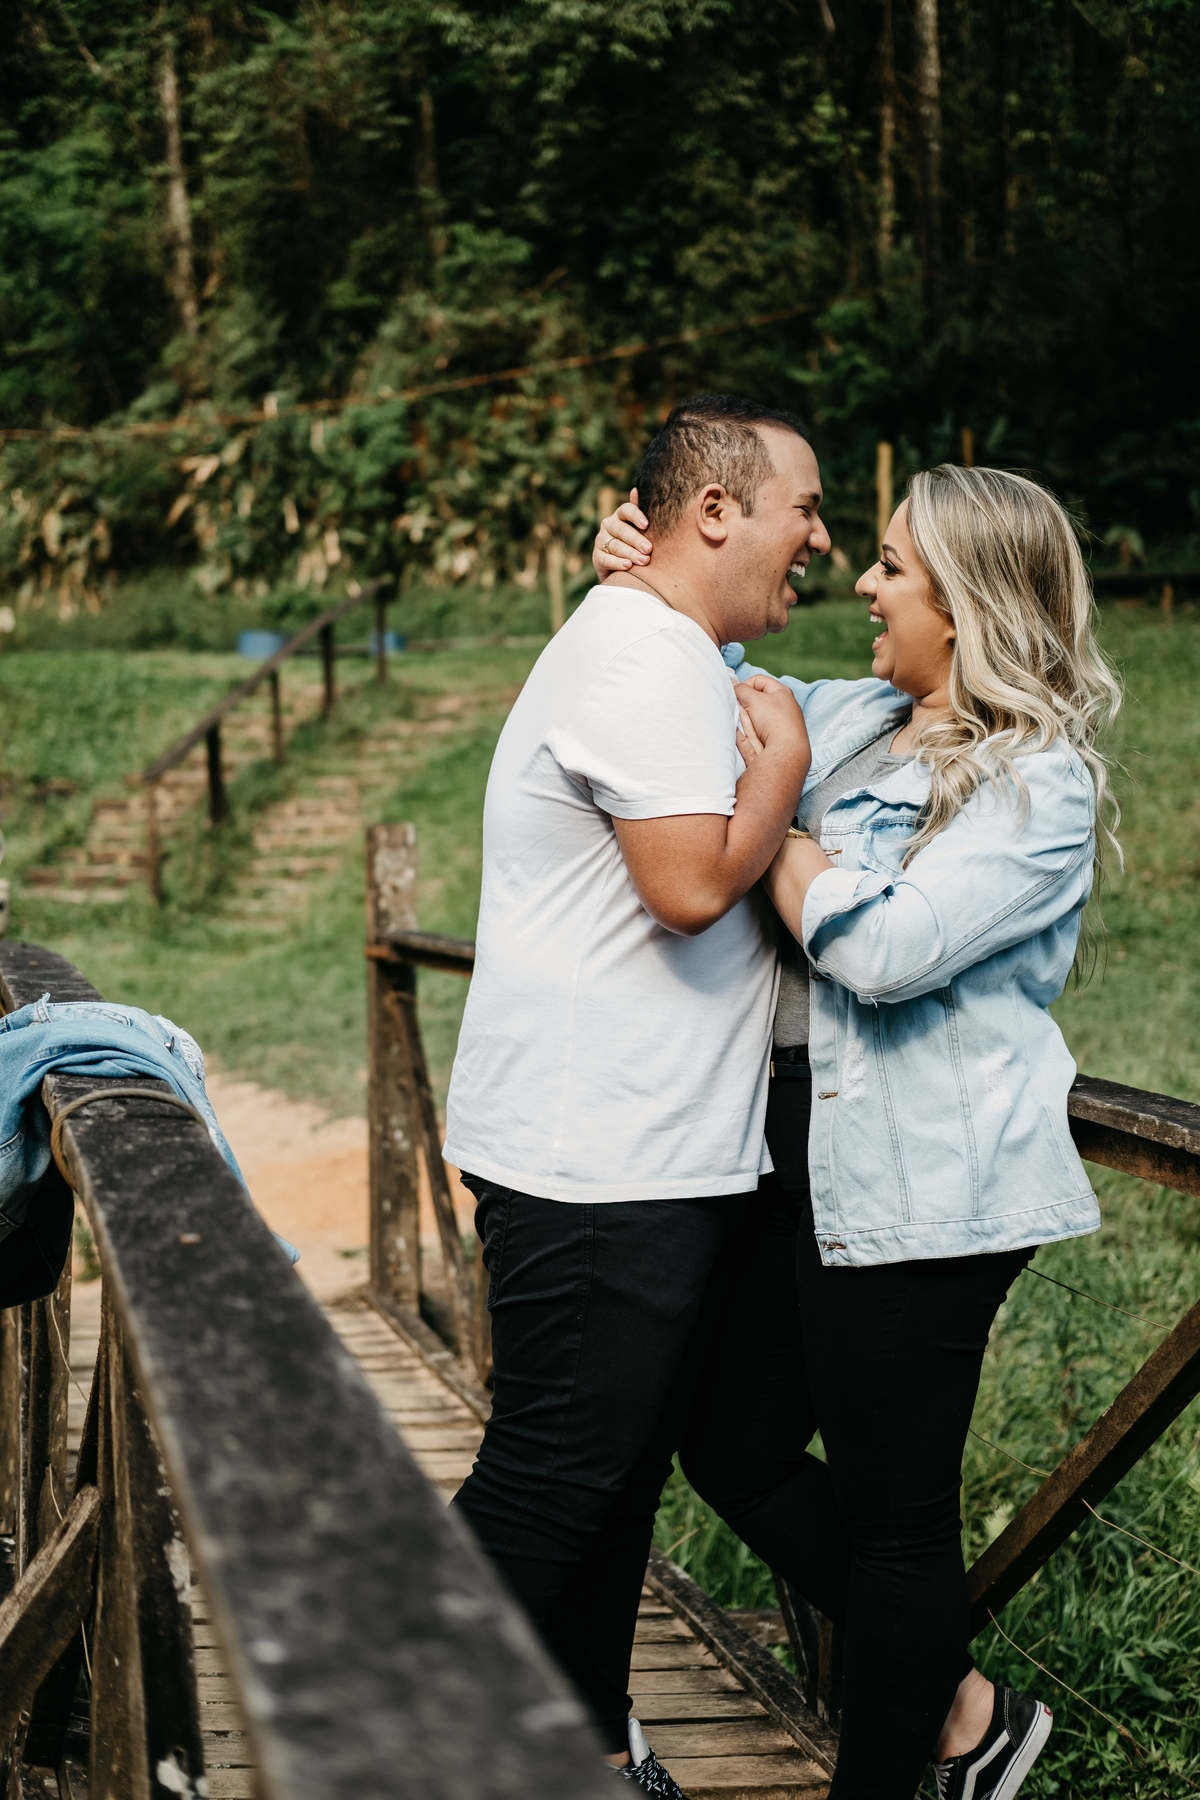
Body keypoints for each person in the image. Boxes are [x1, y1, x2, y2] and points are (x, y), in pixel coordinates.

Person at [593, 463, 1121, 1800]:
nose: (866, 585)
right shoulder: (847, 718)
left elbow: (885, 952)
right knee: (732, 1445)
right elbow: (692, 687)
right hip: (806, 1166)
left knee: (897, 1527)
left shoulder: (1037, 784)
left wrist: (772, 817)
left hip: (931, 1188)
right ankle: (965, 1710)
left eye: (894, 568)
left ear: (969, 601)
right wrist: (642, 575)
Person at [442, 394, 830, 1790]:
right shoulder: (644, 655)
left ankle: (593, 1752)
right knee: (555, 1480)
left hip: (631, 1150)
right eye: (806, 509)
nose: (821, 539)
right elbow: (686, 885)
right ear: (715, 512)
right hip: (599, 1159)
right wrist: (784, 773)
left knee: (604, 1484)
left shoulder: (667, 642)